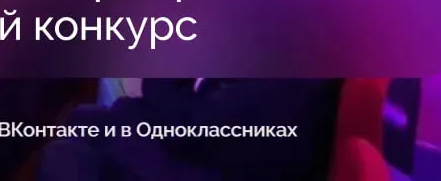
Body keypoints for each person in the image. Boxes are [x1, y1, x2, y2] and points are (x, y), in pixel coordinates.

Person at [38, 78, 341, 181]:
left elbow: (189, 131)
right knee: (82, 121)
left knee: (65, 157)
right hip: (199, 150)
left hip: (205, 167)